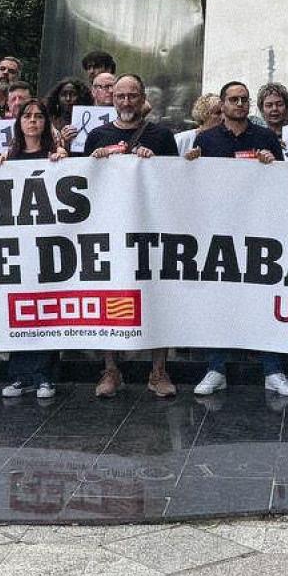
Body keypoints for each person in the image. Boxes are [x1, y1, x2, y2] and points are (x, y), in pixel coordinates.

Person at [185, 81, 288, 397]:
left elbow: (283, 183)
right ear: (222, 104)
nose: (240, 104)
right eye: (234, 99)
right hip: (218, 231)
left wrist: (270, 164)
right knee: (219, 301)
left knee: (263, 299)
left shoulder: (265, 138)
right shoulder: (205, 139)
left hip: (259, 231)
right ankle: (216, 368)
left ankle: (273, 370)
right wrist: (190, 166)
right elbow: (193, 187)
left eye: (244, 99)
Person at [85, 75, 181, 398]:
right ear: (112, 98)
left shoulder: (163, 136)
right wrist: (95, 163)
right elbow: (86, 186)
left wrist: (156, 166)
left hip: (151, 229)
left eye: (132, 96)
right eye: (121, 96)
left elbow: (174, 182)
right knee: (110, 297)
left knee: (158, 297)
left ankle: (158, 370)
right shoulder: (97, 136)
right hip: (110, 230)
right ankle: (111, 369)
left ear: (143, 98)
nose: (126, 102)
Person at [0, 98, 67, 399]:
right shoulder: (8, 158)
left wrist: (64, 157)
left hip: (50, 243)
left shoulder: (56, 157)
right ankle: (20, 375)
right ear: (18, 121)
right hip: (18, 246)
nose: (33, 121)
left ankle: (44, 376)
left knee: (46, 309)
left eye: (39, 116)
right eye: (27, 116)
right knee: (19, 308)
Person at [45, 78, 92, 152]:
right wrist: (62, 142)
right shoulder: (50, 123)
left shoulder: (90, 120)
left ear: (81, 97)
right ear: (57, 98)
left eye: (73, 94)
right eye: (64, 95)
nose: (68, 98)